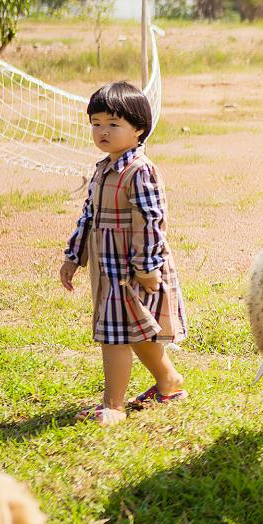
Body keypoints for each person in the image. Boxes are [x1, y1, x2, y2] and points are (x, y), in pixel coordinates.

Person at [59, 82, 188, 426]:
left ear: (139, 129)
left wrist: (147, 267)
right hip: (106, 264)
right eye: (96, 123)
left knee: (114, 334)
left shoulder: (140, 170)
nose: (103, 131)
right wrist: (74, 256)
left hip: (133, 265)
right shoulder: (103, 168)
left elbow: (150, 221)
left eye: (113, 124)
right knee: (134, 329)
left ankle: (112, 405)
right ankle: (169, 382)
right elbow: (88, 215)